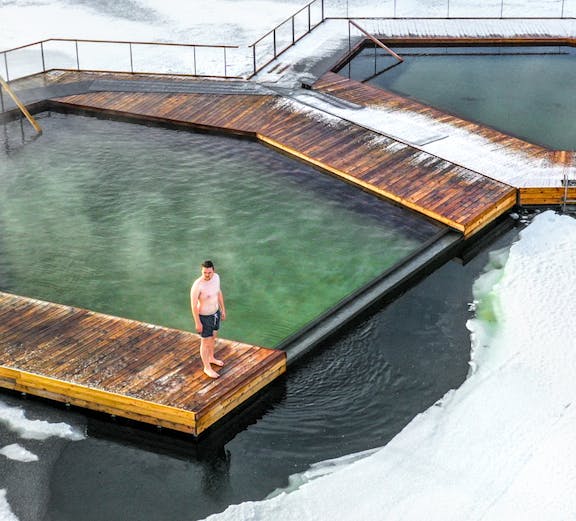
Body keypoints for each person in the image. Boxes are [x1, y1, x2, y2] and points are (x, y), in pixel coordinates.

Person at [190, 260, 227, 378]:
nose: (207, 275)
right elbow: (193, 305)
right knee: (205, 342)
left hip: (215, 313)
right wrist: (197, 322)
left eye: (209, 272)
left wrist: (223, 309)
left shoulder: (216, 278)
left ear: (213, 271)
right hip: (204, 317)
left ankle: (211, 357)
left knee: (213, 338)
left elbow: (218, 292)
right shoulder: (198, 285)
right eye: (204, 272)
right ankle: (207, 367)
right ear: (202, 271)